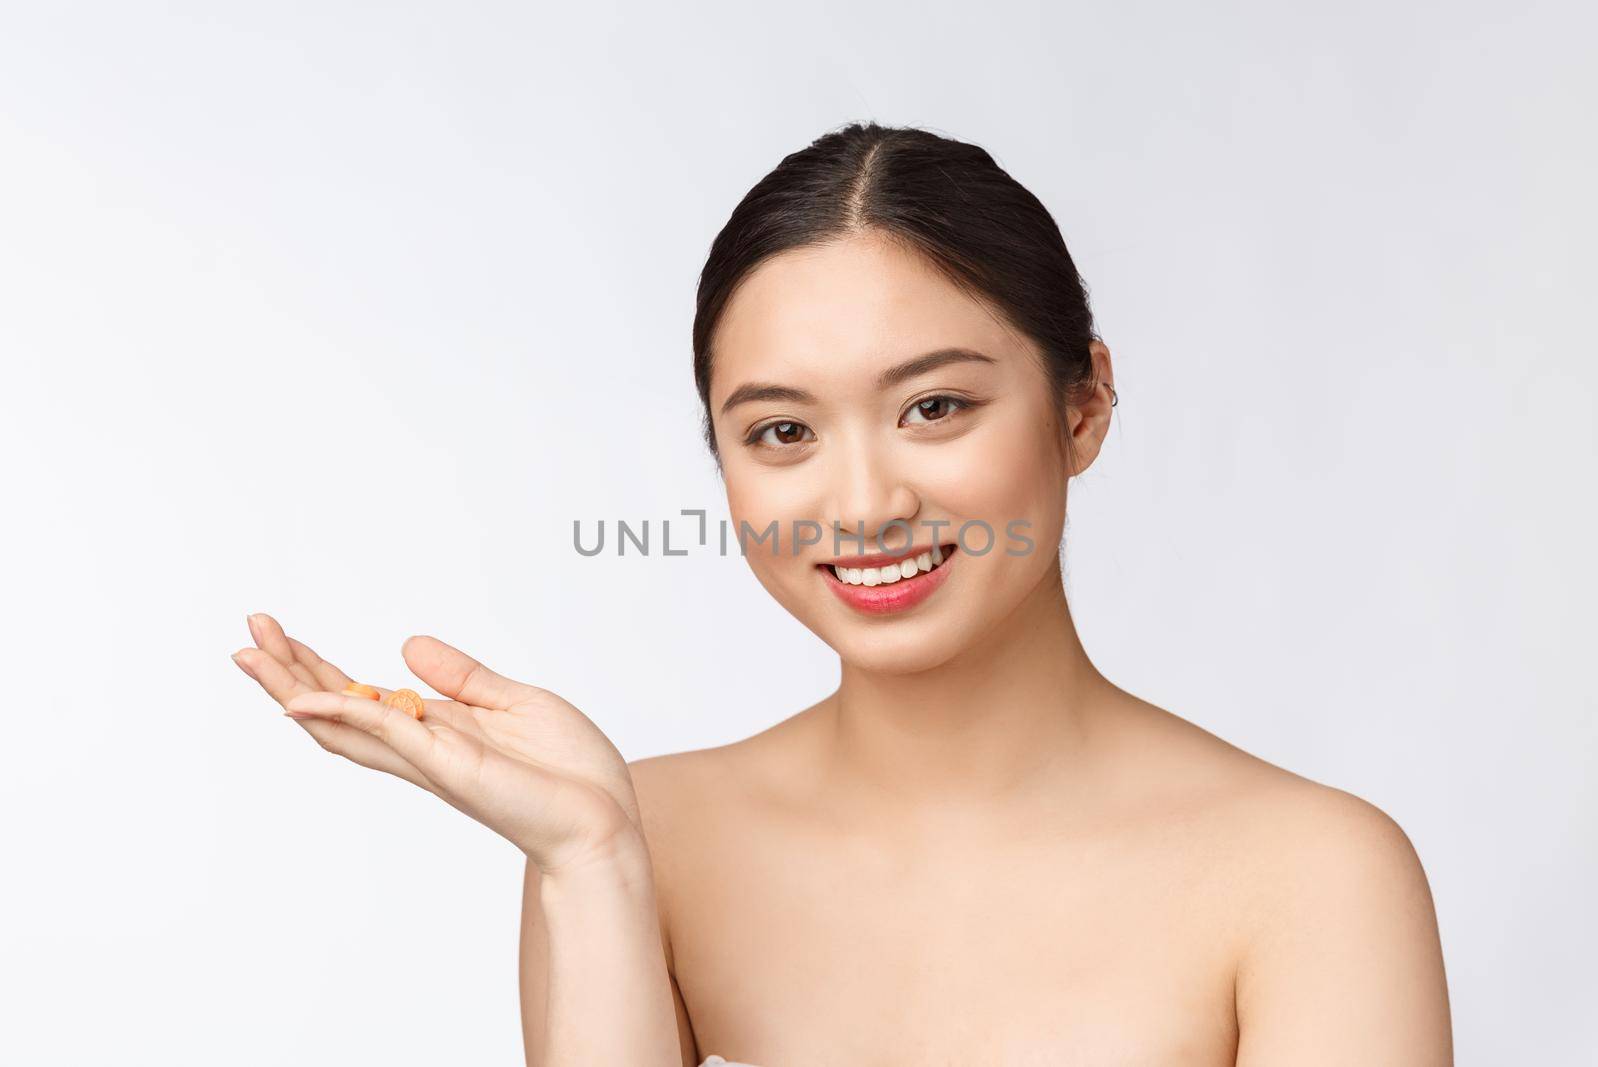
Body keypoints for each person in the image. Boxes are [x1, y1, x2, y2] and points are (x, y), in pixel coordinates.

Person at [232, 122, 1452, 1066]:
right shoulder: (640, 840)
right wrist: (593, 862)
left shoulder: (1307, 874)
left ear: (1082, 405)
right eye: (779, 430)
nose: (862, 505)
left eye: (935, 406)